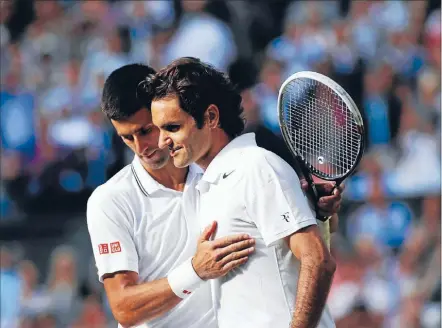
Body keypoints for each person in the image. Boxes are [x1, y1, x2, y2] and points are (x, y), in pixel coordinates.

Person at [88, 63, 342, 328]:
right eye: (127, 138)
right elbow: (123, 309)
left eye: (150, 129)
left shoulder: (241, 168)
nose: (144, 147)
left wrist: (320, 212)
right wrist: (195, 271)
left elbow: (315, 256)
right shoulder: (112, 200)